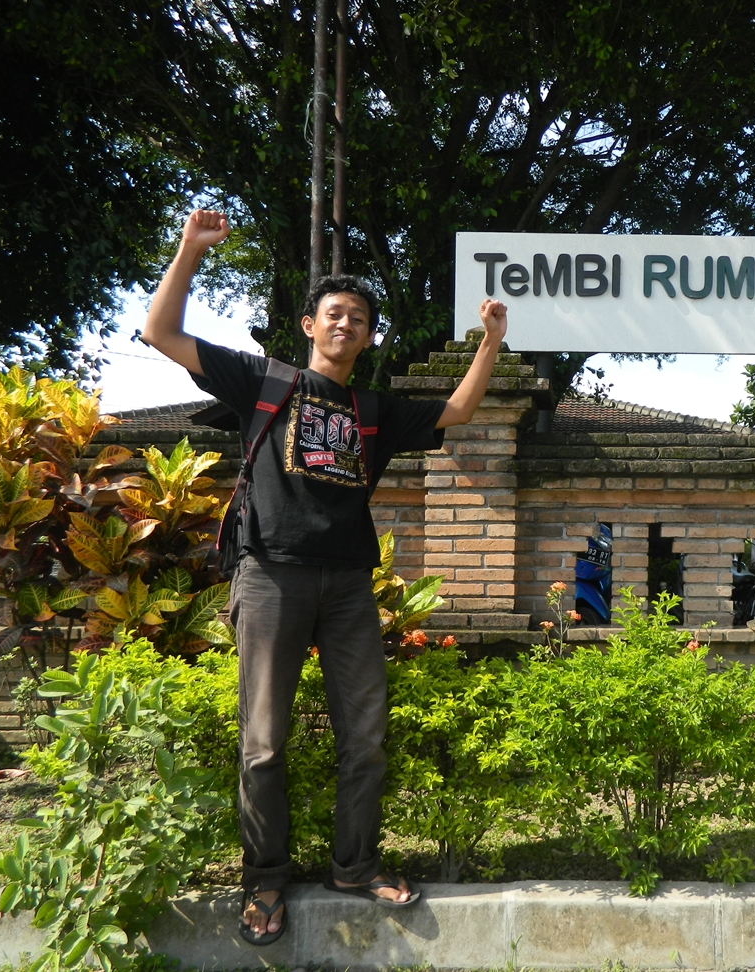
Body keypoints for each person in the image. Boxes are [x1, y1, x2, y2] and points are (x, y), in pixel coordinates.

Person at [142, 209, 507, 946]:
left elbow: (461, 410)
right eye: (334, 313)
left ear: (369, 338)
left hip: (347, 586)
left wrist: (492, 343)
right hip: (271, 576)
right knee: (264, 742)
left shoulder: (374, 410)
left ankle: (354, 864)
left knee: (364, 738)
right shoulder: (263, 382)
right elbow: (161, 332)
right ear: (310, 325)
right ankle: (265, 880)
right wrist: (188, 251)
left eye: (360, 319)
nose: (347, 324)